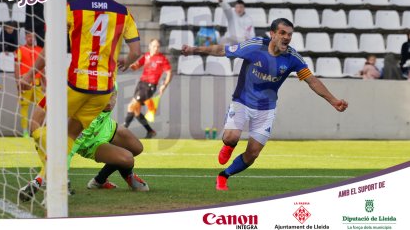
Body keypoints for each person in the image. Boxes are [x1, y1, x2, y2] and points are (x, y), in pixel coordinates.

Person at [182, 18, 348, 191]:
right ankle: (229, 145)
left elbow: (311, 80)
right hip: (242, 101)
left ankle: (224, 175)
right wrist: (195, 49)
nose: (286, 38)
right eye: (282, 33)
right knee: (231, 137)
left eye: (290, 35)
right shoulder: (254, 46)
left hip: (266, 109)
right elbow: (222, 50)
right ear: (273, 34)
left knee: (253, 153)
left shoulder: (293, 58)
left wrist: (334, 101)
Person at [20, 0, 141, 144]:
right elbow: (136, 52)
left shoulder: (72, 9)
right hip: (103, 89)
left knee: (36, 123)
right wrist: (125, 60)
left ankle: (48, 154)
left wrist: (30, 74)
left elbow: (52, 46)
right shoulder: (123, 13)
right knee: (71, 137)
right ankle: (47, 172)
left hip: (75, 83)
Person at [69, 86, 149, 191]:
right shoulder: (84, 112)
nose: (110, 102)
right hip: (89, 142)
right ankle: (129, 176)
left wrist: (127, 67)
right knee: (127, 159)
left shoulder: (107, 77)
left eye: (112, 96)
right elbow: (70, 143)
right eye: (106, 97)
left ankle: (99, 180)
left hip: (106, 126)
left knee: (137, 148)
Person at [124, 39, 172, 138]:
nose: (156, 48)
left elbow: (169, 72)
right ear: (149, 46)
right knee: (136, 111)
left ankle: (123, 129)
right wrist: (130, 65)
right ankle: (150, 131)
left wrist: (164, 85)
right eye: (154, 46)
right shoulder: (146, 56)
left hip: (149, 86)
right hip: (141, 84)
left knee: (131, 106)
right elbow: (136, 66)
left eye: (158, 46)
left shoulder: (162, 59)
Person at [14, 32, 44, 137]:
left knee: (43, 106)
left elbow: (43, 69)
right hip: (25, 84)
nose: (31, 38)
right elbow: (17, 66)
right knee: (24, 107)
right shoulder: (20, 50)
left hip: (38, 84)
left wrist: (45, 84)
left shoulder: (40, 50)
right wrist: (18, 82)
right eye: (29, 36)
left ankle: (40, 129)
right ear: (26, 37)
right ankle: (25, 131)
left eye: (33, 37)